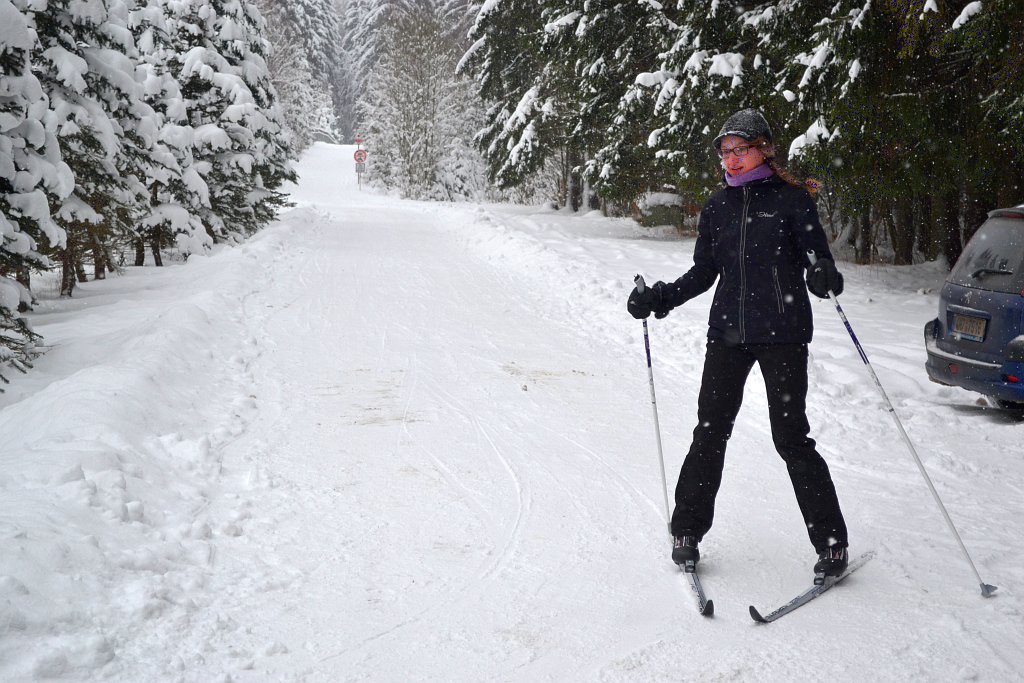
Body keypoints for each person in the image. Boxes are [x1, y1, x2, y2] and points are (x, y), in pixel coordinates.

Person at [627, 108, 850, 581]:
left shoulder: (792, 200)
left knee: (791, 438)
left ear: (764, 149)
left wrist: (823, 276)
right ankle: (687, 532)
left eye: (740, 149)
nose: (731, 159)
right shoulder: (717, 207)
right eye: (725, 152)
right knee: (710, 432)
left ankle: (831, 544)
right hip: (728, 335)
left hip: (783, 334)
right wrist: (660, 298)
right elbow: (704, 272)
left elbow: (818, 259)